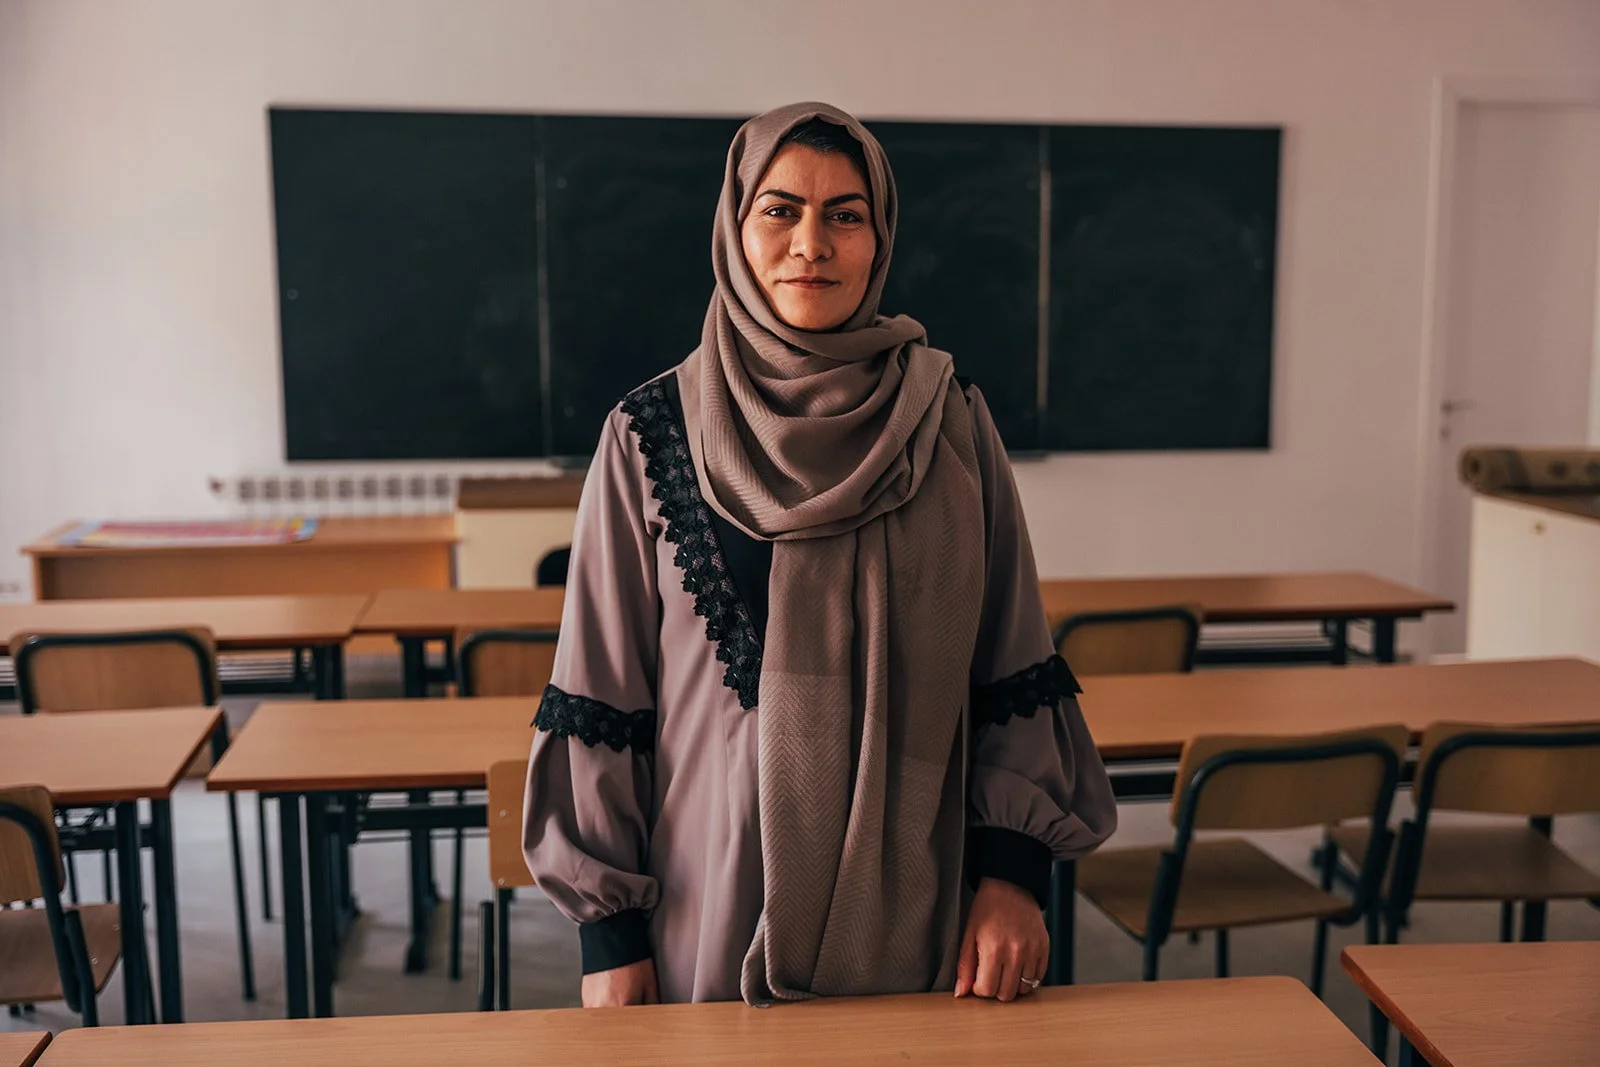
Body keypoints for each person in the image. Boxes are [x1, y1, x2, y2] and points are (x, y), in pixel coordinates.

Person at [522, 101, 1116, 1008]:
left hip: (926, 911)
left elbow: (1011, 659)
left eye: (845, 214)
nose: (812, 243)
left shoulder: (951, 420)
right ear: (735, 229)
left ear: (880, 240)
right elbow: (604, 692)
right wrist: (609, 936)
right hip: (710, 905)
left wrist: (1012, 874)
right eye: (780, 210)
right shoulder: (649, 434)